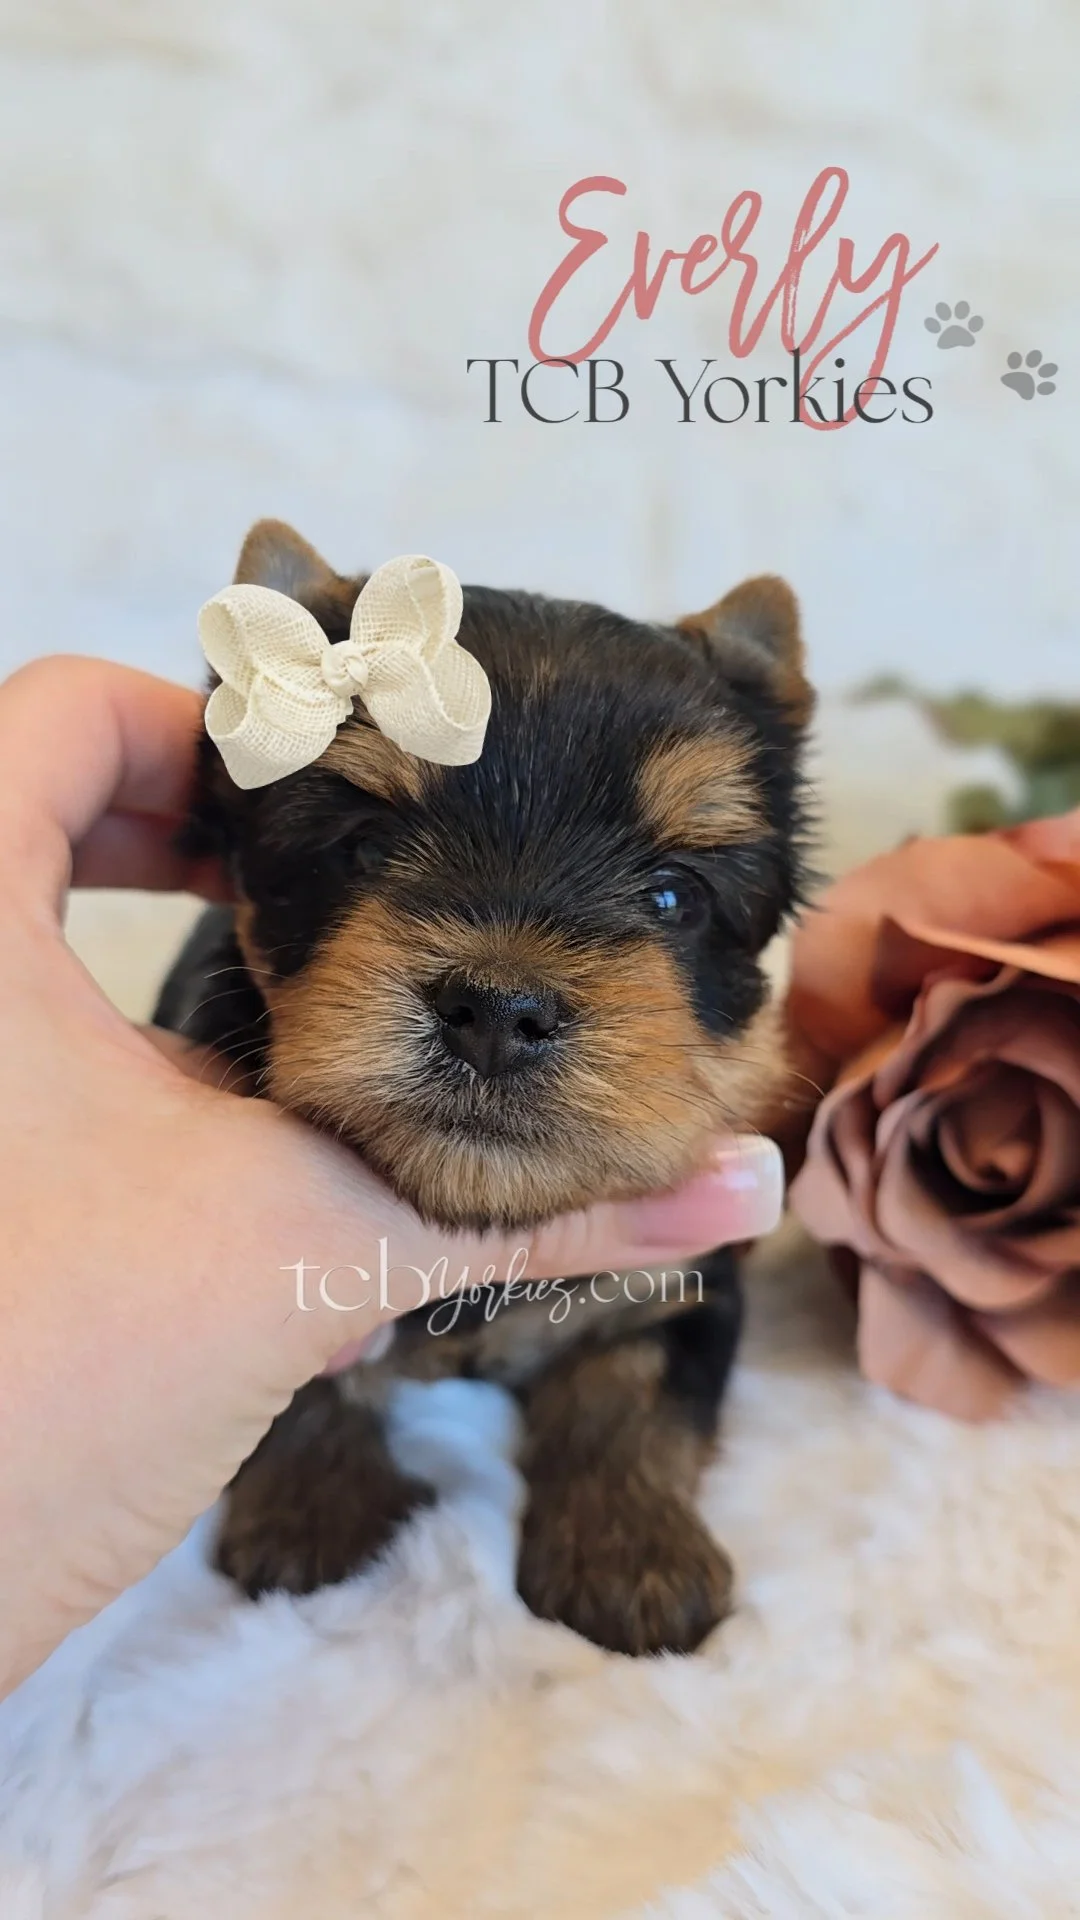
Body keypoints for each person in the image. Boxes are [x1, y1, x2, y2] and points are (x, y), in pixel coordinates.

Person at [0, 656, 784, 1699]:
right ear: (243, 864)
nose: (506, 1000)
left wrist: (619, 1472)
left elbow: (682, 1313)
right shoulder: (174, 1147)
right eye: (368, 845)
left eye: (671, 890)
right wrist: (302, 1425)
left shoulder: (661, 1196)